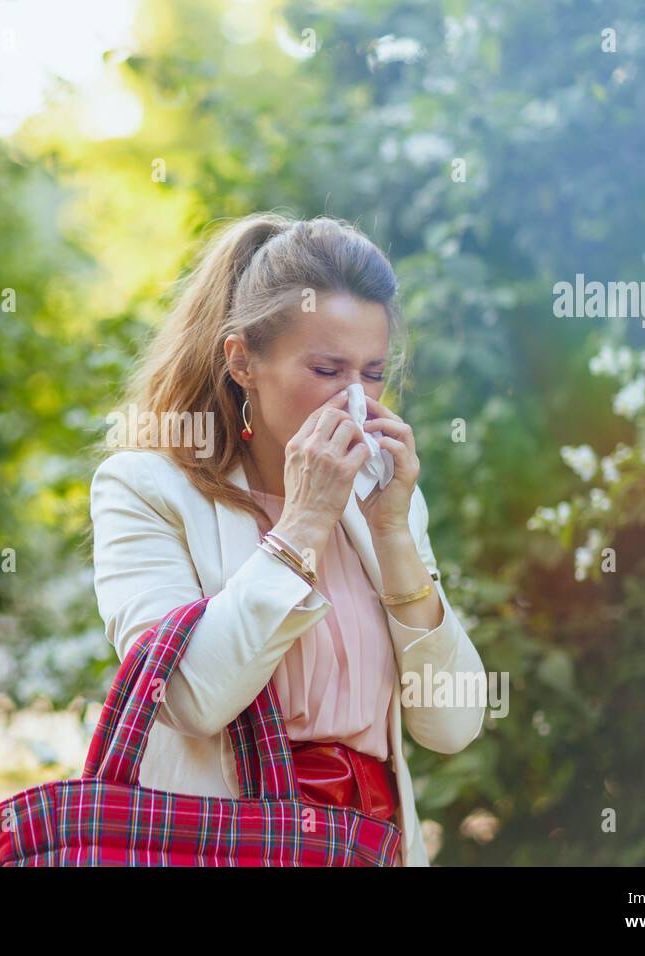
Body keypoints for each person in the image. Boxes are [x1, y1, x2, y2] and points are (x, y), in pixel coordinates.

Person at [88, 212, 487, 866]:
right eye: (328, 369)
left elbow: (450, 724)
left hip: (370, 845)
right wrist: (303, 522)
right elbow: (189, 698)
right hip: (229, 846)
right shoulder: (146, 489)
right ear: (242, 361)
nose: (355, 401)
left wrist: (392, 531)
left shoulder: (381, 506)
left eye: (374, 373)